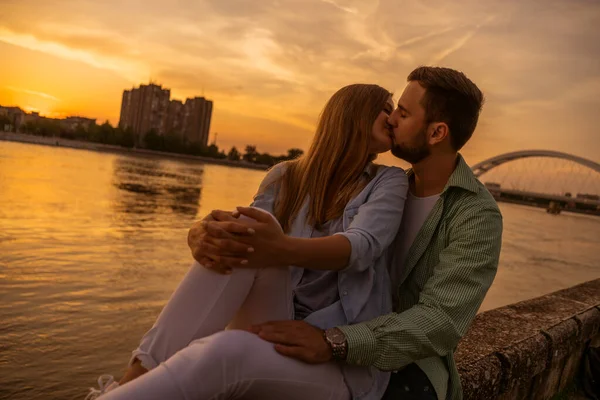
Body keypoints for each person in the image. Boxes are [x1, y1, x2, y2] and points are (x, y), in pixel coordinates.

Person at [190, 66, 503, 400]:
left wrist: (336, 341)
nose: (392, 118)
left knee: (227, 360)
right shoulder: (384, 188)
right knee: (225, 346)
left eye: (404, 112)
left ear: (437, 133)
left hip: (403, 366)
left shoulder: (475, 214)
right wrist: (202, 234)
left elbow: (441, 322)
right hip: (327, 332)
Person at [85, 83, 410, 400]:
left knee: (224, 352)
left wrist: (279, 248)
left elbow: (362, 246)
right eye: (385, 108)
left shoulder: (388, 181)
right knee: (243, 229)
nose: (393, 118)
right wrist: (198, 232)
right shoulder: (286, 177)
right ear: (353, 114)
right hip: (278, 320)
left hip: (337, 359)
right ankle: (129, 383)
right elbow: (243, 234)